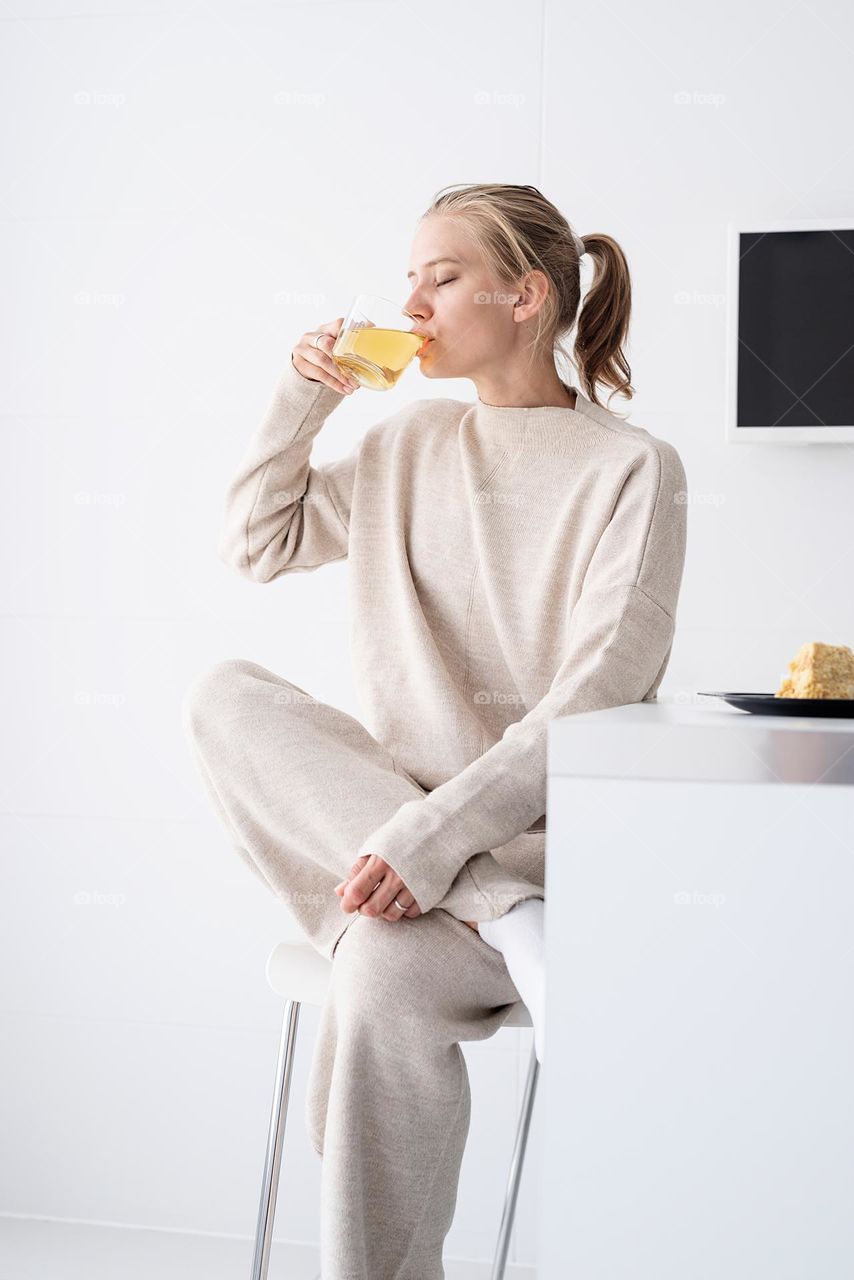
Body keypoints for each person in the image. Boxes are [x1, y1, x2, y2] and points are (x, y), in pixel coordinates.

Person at [181, 182, 688, 1279]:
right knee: (226, 692)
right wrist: (299, 396)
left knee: (368, 976)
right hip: (410, 864)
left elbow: (600, 694)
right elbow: (256, 542)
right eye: (406, 276)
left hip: (526, 850)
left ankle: (512, 907)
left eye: (440, 275)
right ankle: (512, 922)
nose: (408, 301)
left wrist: (430, 843)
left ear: (525, 295)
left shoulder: (630, 469)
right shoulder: (407, 440)